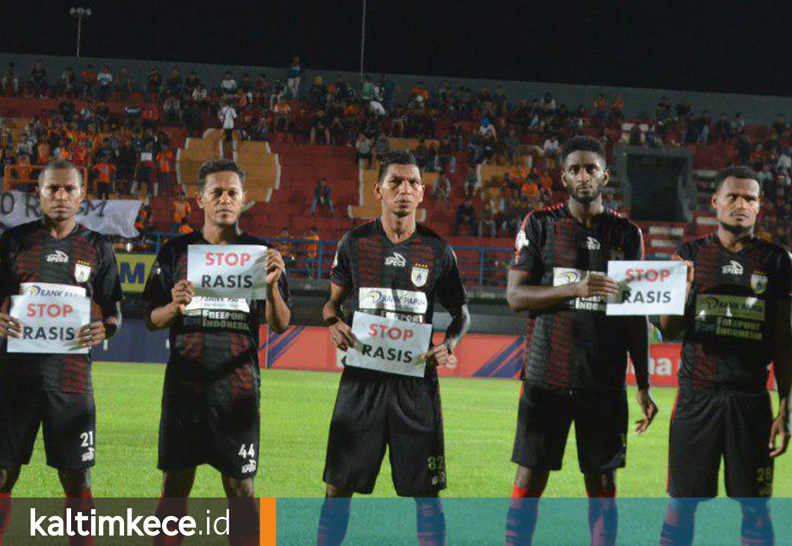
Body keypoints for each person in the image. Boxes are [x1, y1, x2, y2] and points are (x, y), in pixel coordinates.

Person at [504, 135, 656, 546]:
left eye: (591, 168)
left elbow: (634, 313)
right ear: (563, 176)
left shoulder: (626, 233)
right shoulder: (539, 224)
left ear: (605, 175)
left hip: (603, 380)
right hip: (545, 375)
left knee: (602, 481)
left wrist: (642, 382)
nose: (584, 175)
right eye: (575, 169)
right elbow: (516, 296)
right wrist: (576, 289)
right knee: (529, 475)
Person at [317, 150, 471, 546]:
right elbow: (331, 304)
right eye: (396, 182)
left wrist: (448, 344)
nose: (405, 189)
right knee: (338, 486)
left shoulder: (439, 251)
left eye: (413, 182)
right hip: (362, 381)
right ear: (378, 190)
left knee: (426, 495)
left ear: (422, 193)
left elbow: (462, 315)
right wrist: (333, 323)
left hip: (415, 385)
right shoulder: (354, 243)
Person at [143, 159, 291, 546]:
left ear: (245, 199)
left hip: (238, 390)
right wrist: (174, 308)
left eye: (232, 193)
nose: (224, 199)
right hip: (184, 388)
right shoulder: (176, 251)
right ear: (199, 198)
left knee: (241, 487)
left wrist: (273, 287)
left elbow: (280, 324)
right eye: (216, 192)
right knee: (176, 484)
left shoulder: (261, 253)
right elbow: (150, 318)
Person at [656, 165, 792, 546]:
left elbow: (784, 337)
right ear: (715, 201)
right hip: (697, 396)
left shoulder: (777, 260)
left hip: (750, 401)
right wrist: (682, 291)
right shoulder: (689, 255)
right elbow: (667, 330)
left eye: (749, 198)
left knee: (754, 506)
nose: (740, 204)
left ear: (759, 206)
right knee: (682, 503)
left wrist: (785, 404)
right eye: (732, 196)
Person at [0, 160, 123, 546]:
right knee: (3, 474)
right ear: (38, 193)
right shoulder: (13, 242)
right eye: (53, 188)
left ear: (82, 193)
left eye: (69, 189)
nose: (61, 196)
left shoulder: (98, 247)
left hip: (70, 382)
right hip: (14, 380)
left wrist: (108, 327)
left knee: (76, 477)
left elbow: (114, 308)